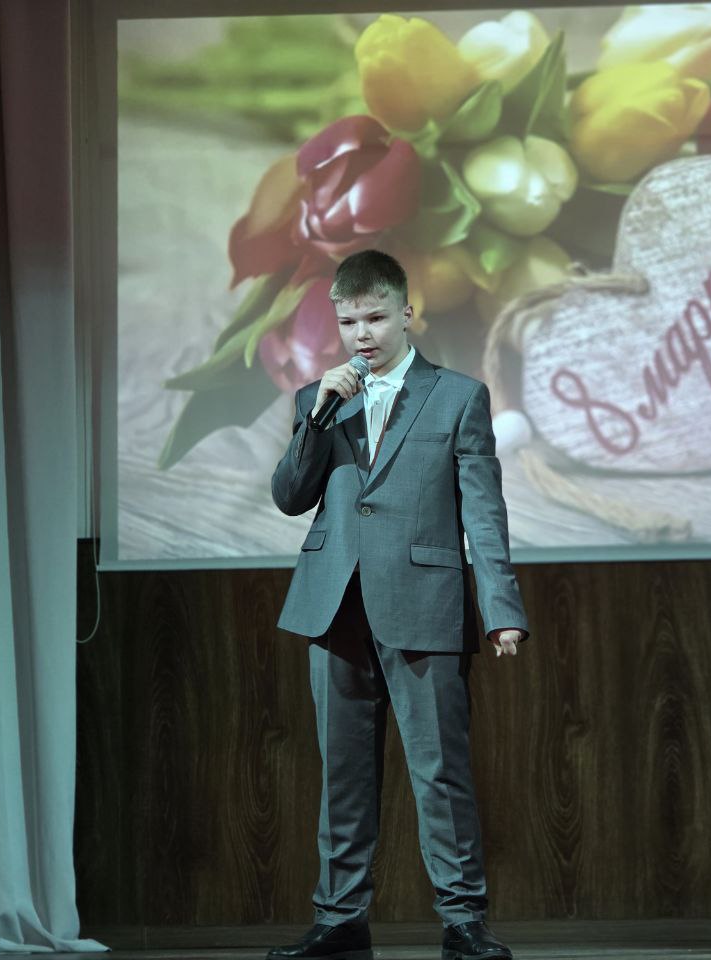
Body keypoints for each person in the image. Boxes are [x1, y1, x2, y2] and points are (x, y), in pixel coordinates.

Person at [267, 250, 527, 960]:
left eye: (376, 318)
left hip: (425, 603)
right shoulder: (319, 400)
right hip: (334, 606)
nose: (362, 334)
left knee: (440, 772)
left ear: (406, 313)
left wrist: (501, 608)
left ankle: (464, 921)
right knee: (343, 775)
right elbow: (289, 496)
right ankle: (339, 919)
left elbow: (484, 513)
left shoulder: (458, 396)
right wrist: (316, 417)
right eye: (348, 321)